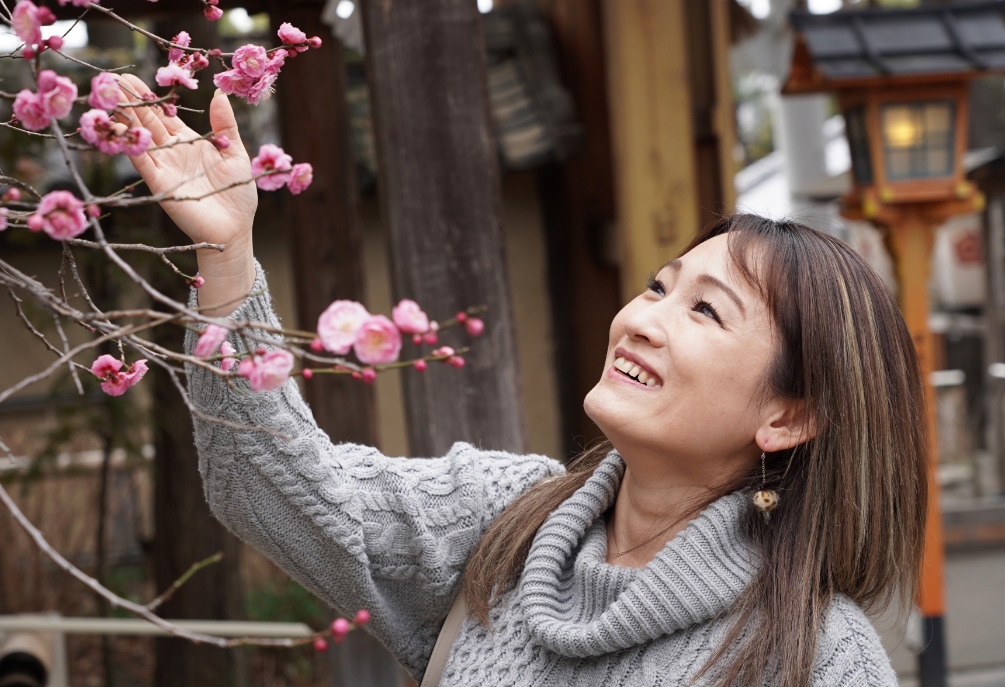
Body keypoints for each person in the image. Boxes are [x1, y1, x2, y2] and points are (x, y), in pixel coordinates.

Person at [117, 75, 925, 687]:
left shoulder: (819, 656)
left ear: (789, 416)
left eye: (706, 312)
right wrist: (227, 259)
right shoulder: (503, 520)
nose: (644, 317)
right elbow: (276, 487)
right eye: (656, 285)